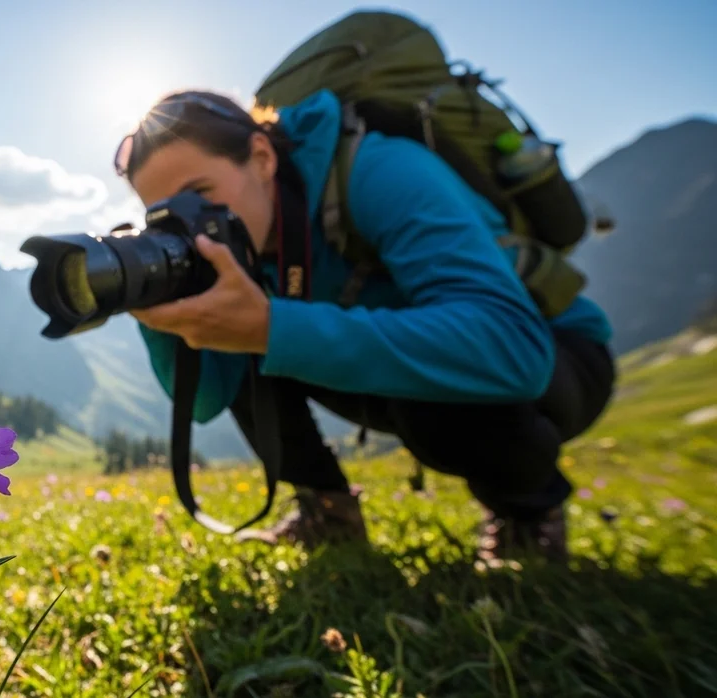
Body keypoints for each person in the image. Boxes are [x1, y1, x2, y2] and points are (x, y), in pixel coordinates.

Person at [115, 88, 617, 564]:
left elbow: (515, 352)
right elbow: (206, 401)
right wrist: (161, 304)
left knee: (429, 401)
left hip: (556, 356)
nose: (189, 223)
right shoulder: (238, 243)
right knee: (237, 326)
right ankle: (327, 510)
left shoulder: (381, 171)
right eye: (165, 217)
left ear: (263, 158)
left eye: (200, 193)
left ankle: (528, 516)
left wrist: (273, 329)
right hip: (405, 372)